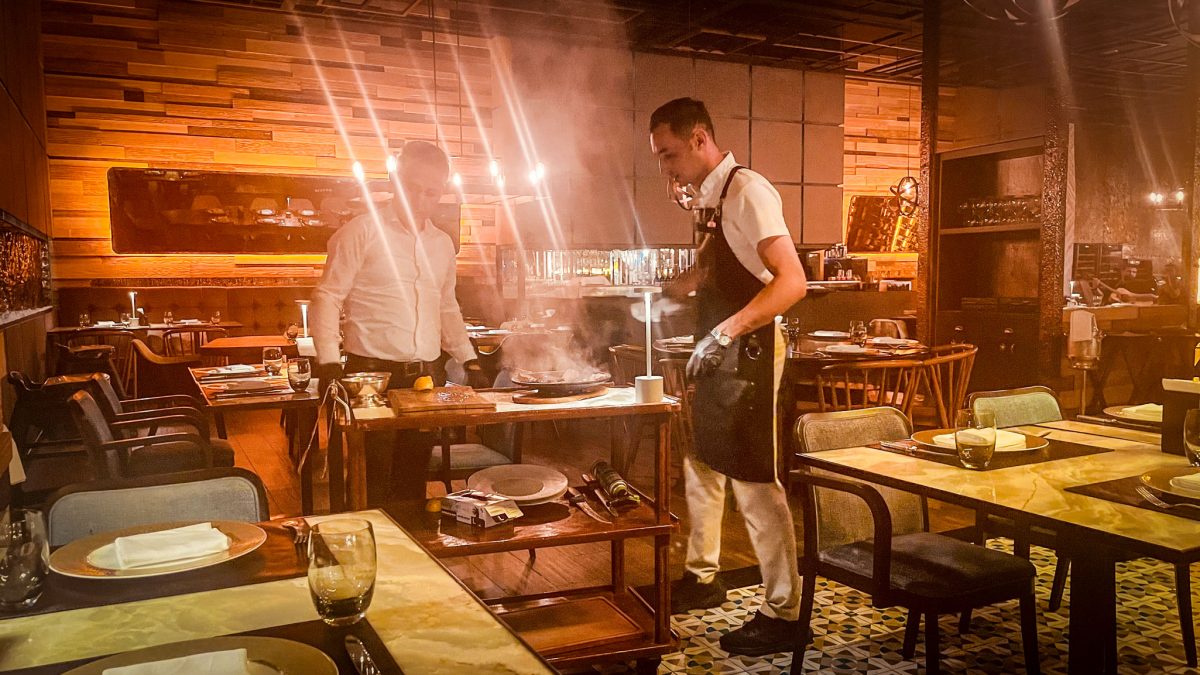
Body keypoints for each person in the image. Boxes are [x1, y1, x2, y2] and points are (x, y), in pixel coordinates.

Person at [650, 97, 808, 656]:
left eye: (670, 154)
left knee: (754, 480)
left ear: (700, 139)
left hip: (752, 353)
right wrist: (664, 292)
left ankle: (785, 612)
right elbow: (712, 269)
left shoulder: (747, 191)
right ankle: (704, 576)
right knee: (703, 464)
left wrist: (725, 331)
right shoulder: (713, 201)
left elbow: (793, 282)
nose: (666, 168)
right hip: (721, 351)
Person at [311, 140, 489, 504]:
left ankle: (412, 553)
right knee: (369, 479)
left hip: (425, 377)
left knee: (412, 478)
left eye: (431, 192)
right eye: (412, 187)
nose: (421, 199)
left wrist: (466, 357)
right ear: (394, 179)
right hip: (370, 377)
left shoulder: (442, 244)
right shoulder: (360, 232)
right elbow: (327, 297)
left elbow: (446, 306)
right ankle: (365, 554)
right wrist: (329, 362)